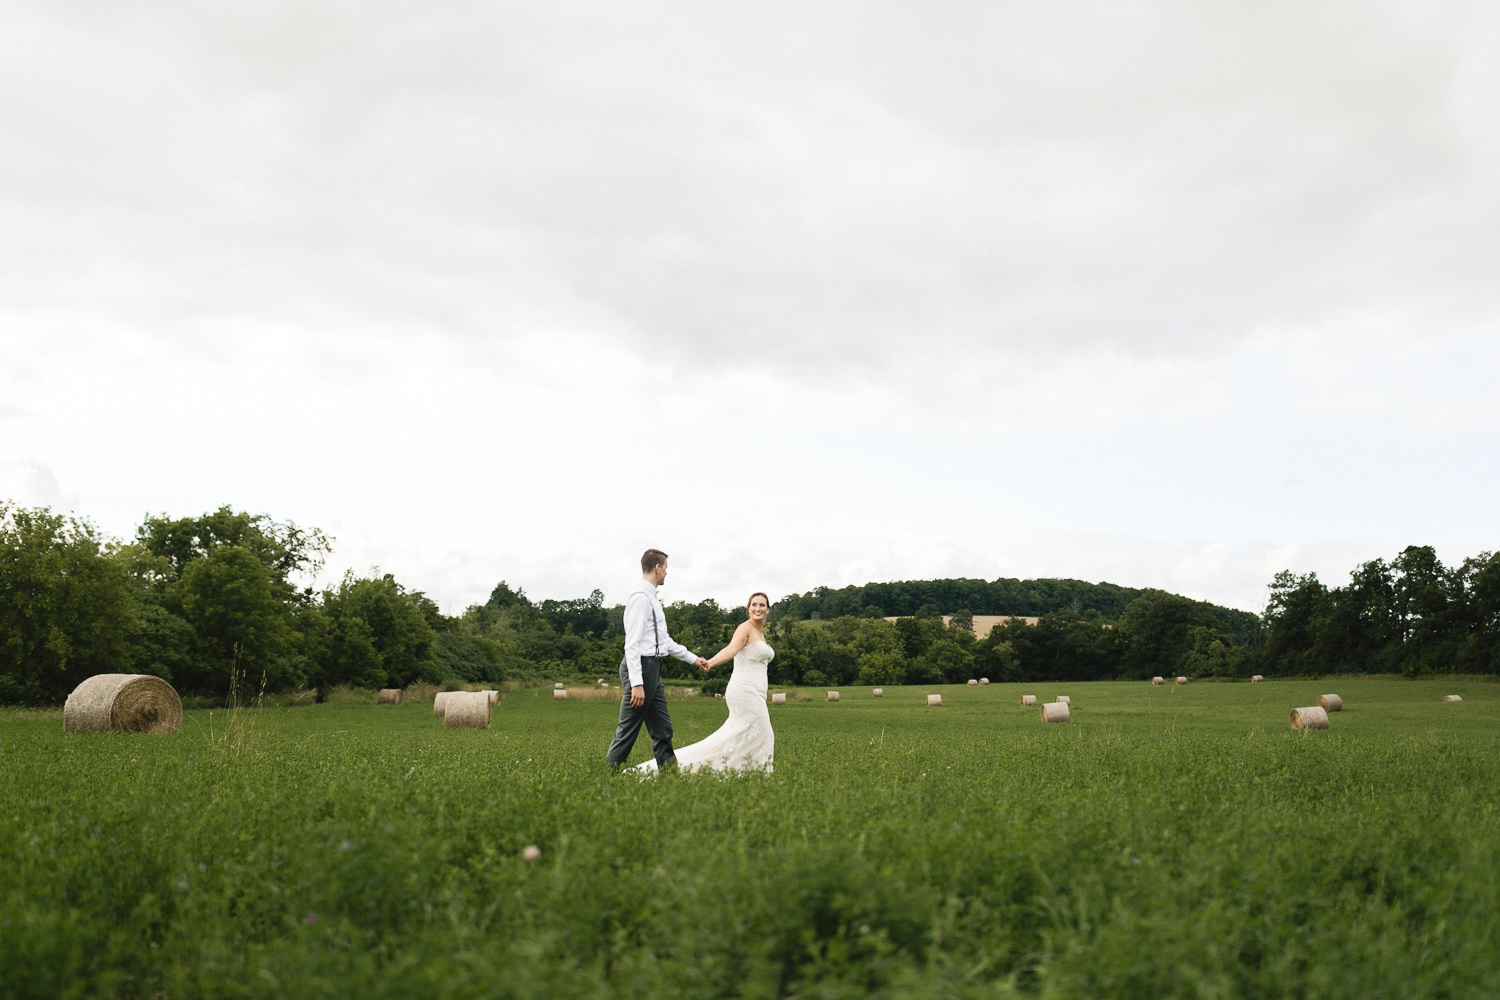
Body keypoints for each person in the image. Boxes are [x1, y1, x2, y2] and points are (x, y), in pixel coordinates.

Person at [630, 591, 775, 775]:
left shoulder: (760, 634)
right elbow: (731, 649)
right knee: (764, 732)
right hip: (744, 691)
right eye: (754, 605)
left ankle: (745, 772)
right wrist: (710, 663)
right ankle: (759, 774)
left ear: (768, 610)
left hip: (757, 691)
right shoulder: (745, 628)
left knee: (743, 735)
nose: (758, 608)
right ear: (748, 609)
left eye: (762, 605)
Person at [605, 549, 709, 770]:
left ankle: (670, 777)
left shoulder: (652, 599)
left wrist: (693, 659)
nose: (667, 574)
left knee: (662, 729)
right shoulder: (640, 599)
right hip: (641, 668)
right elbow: (631, 644)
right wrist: (637, 684)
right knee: (628, 731)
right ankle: (607, 778)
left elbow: (664, 642)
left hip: (653, 668)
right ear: (657, 567)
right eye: (666, 569)